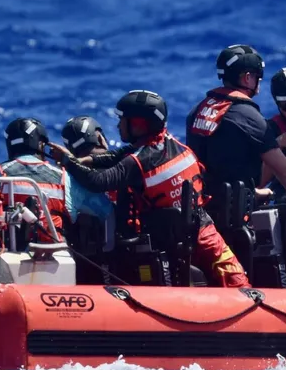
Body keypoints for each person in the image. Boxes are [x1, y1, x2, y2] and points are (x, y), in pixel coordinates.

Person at [54, 90, 250, 288]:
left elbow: (98, 181)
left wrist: (68, 162)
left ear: (139, 125)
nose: (117, 125)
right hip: (202, 229)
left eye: (122, 120)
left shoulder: (139, 162)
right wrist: (86, 161)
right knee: (237, 280)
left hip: (170, 239)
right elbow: (119, 155)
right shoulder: (172, 144)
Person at [186, 45, 286, 226]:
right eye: (258, 77)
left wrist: (254, 193)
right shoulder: (248, 116)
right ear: (248, 78)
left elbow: (217, 167)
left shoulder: (198, 111)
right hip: (233, 218)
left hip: (203, 212)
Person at [0, 118, 112, 246]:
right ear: (41, 145)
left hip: (3, 255)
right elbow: (106, 211)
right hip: (55, 256)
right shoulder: (65, 178)